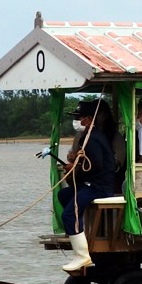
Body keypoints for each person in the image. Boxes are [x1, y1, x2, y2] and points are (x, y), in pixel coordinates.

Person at [54, 97, 117, 274]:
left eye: (79, 117)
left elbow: (96, 165)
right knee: (64, 195)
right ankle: (77, 232)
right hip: (91, 184)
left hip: (99, 186)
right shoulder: (88, 136)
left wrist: (74, 170)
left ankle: (82, 256)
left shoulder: (93, 138)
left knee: (69, 213)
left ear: (88, 119)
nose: (76, 121)